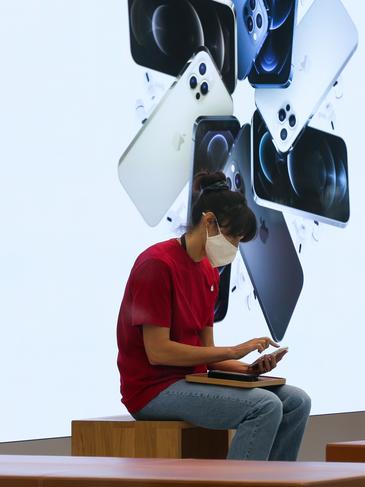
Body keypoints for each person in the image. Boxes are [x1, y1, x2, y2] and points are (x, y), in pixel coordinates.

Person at [116, 171, 311, 461]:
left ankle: (275, 482)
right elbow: (158, 352)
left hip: (191, 381)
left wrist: (248, 370)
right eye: (232, 236)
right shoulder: (156, 265)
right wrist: (235, 350)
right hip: (152, 390)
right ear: (208, 222)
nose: (234, 246)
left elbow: (204, 355)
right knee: (264, 407)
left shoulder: (208, 272)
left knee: (297, 402)